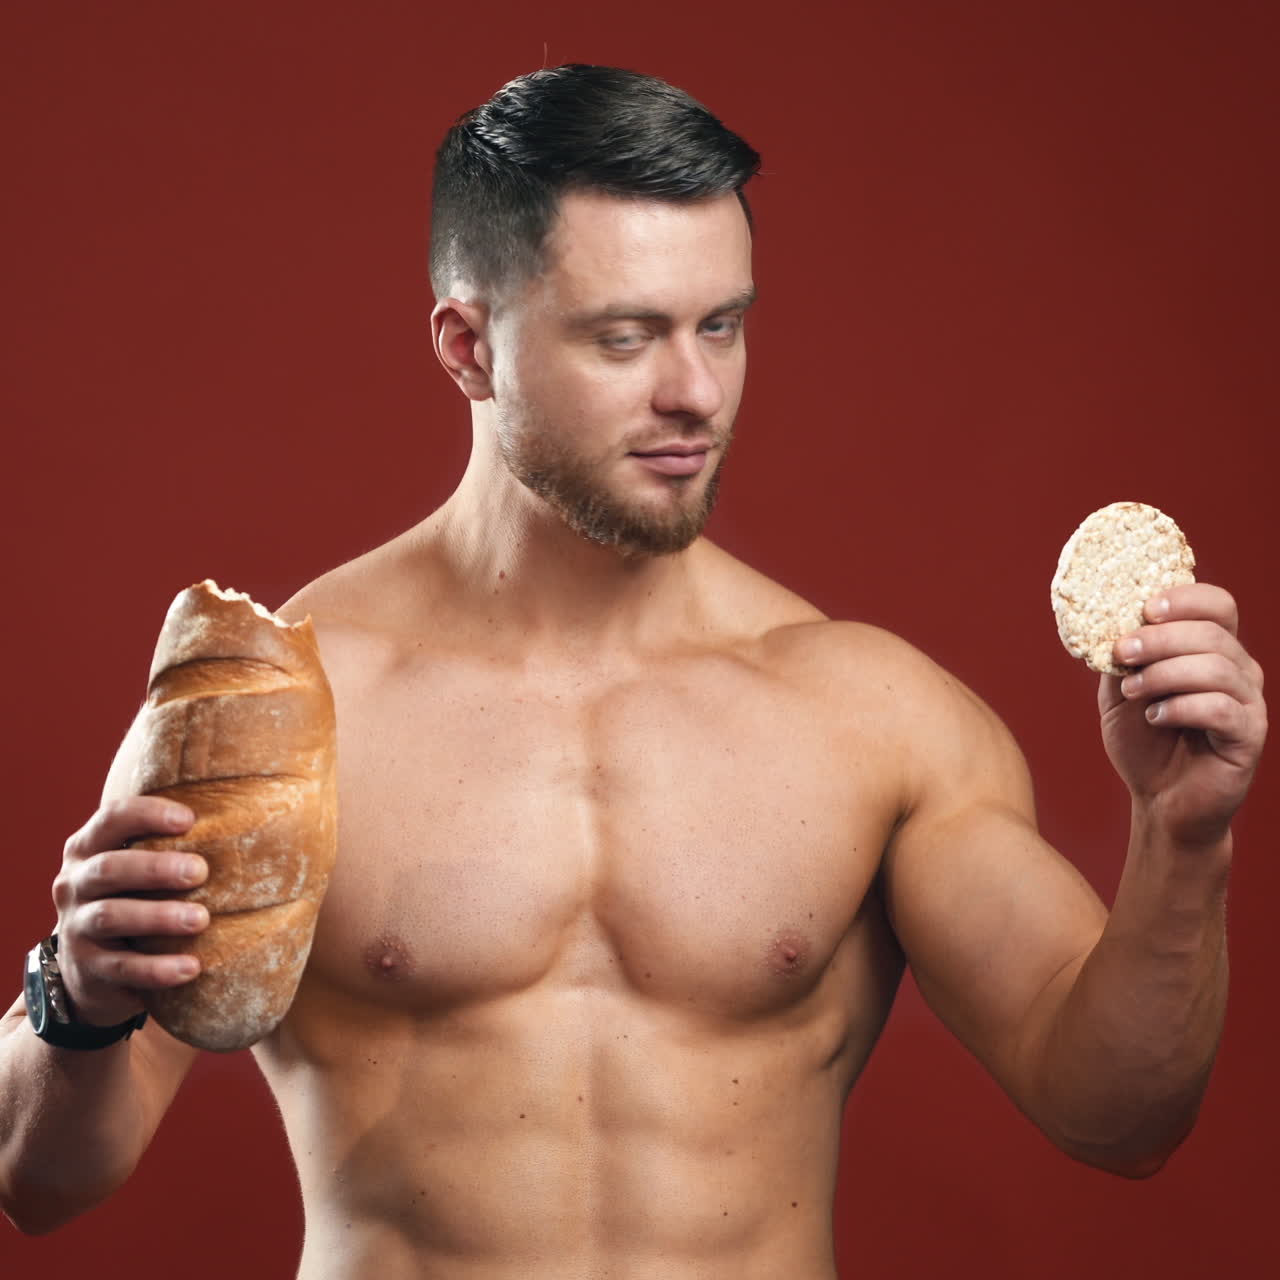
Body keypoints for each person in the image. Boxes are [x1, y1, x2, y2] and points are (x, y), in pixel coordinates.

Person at [0, 64, 1266, 1279]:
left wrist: (1178, 835)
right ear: (466, 344)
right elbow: (44, 1178)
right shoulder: (288, 704)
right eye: (625, 337)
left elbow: (1116, 1114)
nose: (694, 391)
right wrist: (78, 998)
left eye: (721, 325)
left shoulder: (868, 714)